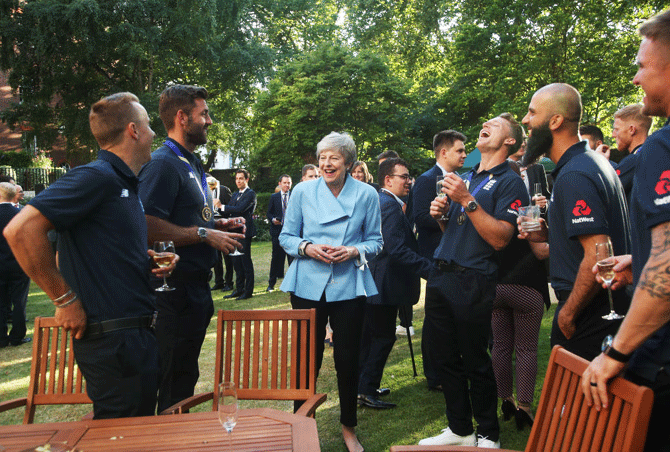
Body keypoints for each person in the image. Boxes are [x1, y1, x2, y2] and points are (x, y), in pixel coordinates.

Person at [4, 92, 178, 418]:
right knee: (120, 439)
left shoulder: (123, 183)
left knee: (136, 437)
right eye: (149, 125)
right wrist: (64, 300)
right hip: (113, 342)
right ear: (133, 130)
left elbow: (100, 247)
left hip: (135, 337)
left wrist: (142, 260)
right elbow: (20, 231)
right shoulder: (96, 176)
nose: (155, 133)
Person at [581, 10, 670, 452]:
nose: (635, 78)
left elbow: (669, 267)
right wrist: (642, 260)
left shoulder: (662, 146)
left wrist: (614, 354)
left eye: (642, 65)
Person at [419, 113, 529, 448]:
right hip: (442, 274)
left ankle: (487, 433)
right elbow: (458, 228)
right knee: (445, 359)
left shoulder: (510, 181)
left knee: (475, 360)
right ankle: (460, 429)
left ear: (510, 141)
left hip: (474, 280)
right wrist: (442, 215)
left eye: (496, 124)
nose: (486, 124)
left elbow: (499, 239)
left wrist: (466, 200)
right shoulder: (467, 175)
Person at [138, 84, 245, 413]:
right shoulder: (162, 164)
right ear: (182, 118)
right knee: (172, 380)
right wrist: (203, 233)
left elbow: (186, 218)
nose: (210, 121)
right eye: (204, 114)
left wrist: (216, 227)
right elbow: (145, 225)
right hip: (171, 292)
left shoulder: (192, 164)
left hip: (195, 289)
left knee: (185, 375)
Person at [279, 131, 382, 452]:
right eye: (322, 157)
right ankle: (300, 427)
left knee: (348, 359)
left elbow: (376, 241)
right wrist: (307, 247)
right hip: (306, 284)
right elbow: (286, 237)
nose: (326, 163)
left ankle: (348, 428)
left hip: (349, 285)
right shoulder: (302, 191)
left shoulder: (367, 195)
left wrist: (353, 251)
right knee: (305, 360)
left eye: (333, 158)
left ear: (348, 162)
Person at [519, 83, 631, 361]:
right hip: (601, 304)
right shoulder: (588, 162)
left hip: (589, 310)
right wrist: (549, 234)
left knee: (577, 402)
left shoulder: (574, 175)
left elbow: (598, 252)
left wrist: (567, 315)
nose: (525, 120)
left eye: (532, 112)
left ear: (555, 121)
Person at [358, 158, 433, 410]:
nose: (409, 181)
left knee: (372, 338)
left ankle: (364, 386)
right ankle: (367, 390)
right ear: (388, 180)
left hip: (378, 284)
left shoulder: (386, 202)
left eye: (409, 176)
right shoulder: (389, 205)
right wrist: (429, 270)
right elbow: (396, 248)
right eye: (404, 176)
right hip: (384, 285)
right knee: (382, 338)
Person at [491, 162, 551, 431]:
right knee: (526, 348)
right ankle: (524, 407)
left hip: (495, 287)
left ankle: (505, 398)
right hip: (526, 286)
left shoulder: (489, 210)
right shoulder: (527, 210)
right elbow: (541, 252)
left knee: (501, 347)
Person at [410, 129, 466, 391]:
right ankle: (434, 376)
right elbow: (419, 217)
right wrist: (442, 216)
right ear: (444, 152)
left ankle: (451, 366)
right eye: (460, 150)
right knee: (435, 319)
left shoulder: (463, 180)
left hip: (456, 256)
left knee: (451, 317)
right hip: (434, 256)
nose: (465, 154)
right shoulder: (425, 180)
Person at [0, 182, 30, 347]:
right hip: (18, 264)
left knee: (1, 302)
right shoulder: (20, 214)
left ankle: (1, 337)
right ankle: (17, 336)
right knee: (19, 301)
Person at [221, 169, 257, 300]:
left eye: (241, 178)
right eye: (237, 179)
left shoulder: (250, 194)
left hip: (244, 232)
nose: (238, 181)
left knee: (245, 262)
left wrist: (222, 206)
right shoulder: (235, 194)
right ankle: (239, 289)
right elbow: (229, 211)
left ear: (247, 180)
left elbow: (240, 209)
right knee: (236, 262)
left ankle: (248, 291)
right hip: (234, 232)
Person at [611, 104, 653, 198]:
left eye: (617, 129)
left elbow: (607, 193)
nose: (613, 135)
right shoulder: (655, 155)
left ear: (631, 130)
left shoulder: (634, 160)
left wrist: (599, 162)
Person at [266, 174, 292, 292]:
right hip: (277, 232)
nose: (287, 185)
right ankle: (271, 284)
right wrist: (273, 220)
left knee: (292, 258)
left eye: (289, 183)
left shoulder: (294, 196)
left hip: (292, 233)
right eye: (285, 182)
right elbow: (269, 213)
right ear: (279, 183)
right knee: (276, 258)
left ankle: (292, 285)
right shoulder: (274, 197)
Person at [209, 176, 234, 292]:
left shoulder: (224, 190)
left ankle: (229, 283)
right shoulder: (204, 191)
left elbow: (231, 208)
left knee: (227, 256)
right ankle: (219, 281)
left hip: (224, 227)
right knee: (216, 256)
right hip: (212, 227)